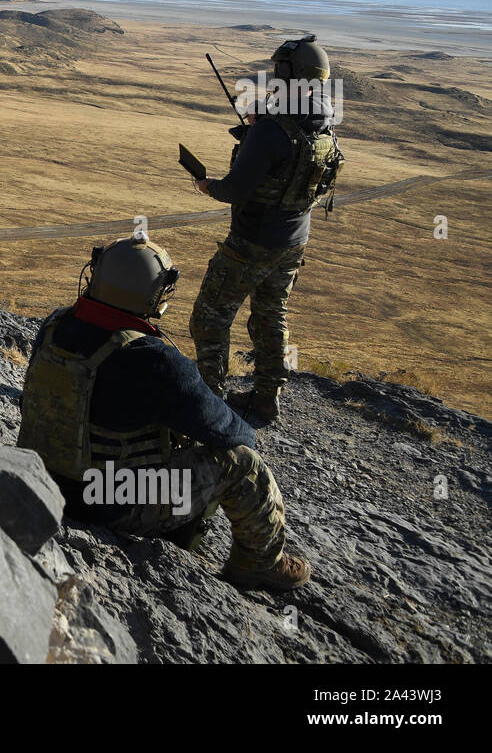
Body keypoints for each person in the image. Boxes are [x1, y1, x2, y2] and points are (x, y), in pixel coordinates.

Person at [19, 235, 311, 590]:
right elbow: (233, 434)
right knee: (243, 463)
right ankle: (260, 564)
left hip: (40, 480)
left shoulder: (54, 325)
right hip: (107, 503)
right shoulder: (155, 360)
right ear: (154, 296)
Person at [190, 35, 344, 423]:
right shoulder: (325, 125)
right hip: (294, 242)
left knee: (209, 318)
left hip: (252, 241)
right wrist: (262, 129)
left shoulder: (271, 130)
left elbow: (235, 189)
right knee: (270, 316)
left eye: (279, 71)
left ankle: (207, 403)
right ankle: (266, 399)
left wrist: (208, 186)